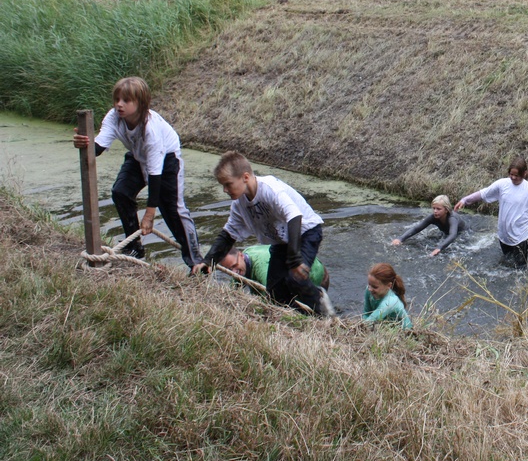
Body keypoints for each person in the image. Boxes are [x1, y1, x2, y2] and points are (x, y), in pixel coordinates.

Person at [72, 76, 203, 268]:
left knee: (173, 210)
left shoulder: (151, 129)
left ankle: (196, 263)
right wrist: (84, 144)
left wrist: (149, 215)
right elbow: (98, 147)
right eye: (117, 99)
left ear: (141, 103)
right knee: (120, 192)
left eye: (126, 100)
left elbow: (155, 175)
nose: (119, 105)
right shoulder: (114, 117)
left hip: (166, 159)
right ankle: (134, 247)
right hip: (137, 155)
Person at [191, 151, 334, 317]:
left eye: (228, 184)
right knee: (274, 292)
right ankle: (299, 319)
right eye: (223, 185)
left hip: (305, 233)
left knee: (295, 278)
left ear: (245, 177)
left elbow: (294, 216)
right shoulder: (238, 204)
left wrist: (294, 259)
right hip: (281, 242)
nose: (225, 190)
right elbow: (228, 234)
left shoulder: (270, 189)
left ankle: (322, 310)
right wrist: (208, 261)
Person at [454, 157, 528, 270]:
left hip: (522, 236)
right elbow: (484, 193)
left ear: (524, 174)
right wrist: (465, 200)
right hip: (504, 235)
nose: (513, 177)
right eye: (511, 174)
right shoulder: (502, 184)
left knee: (520, 269)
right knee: (506, 267)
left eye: (516, 175)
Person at [219, 245, 330, 290]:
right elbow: (234, 287)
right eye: (229, 270)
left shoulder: (262, 269)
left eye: (234, 266)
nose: (234, 272)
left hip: (313, 272)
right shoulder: (245, 256)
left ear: (241, 255)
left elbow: (272, 301)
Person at [391, 195, 466, 257]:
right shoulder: (433, 217)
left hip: (463, 235)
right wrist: (400, 239)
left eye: (438, 209)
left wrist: (439, 248)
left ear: (446, 210)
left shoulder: (452, 218)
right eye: (434, 208)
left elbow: (453, 235)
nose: (435, 211)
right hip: (447, 234)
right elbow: (416, 228)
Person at [363, 263, 413, 329]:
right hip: (386, 327)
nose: (370, 289)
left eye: (375, 287)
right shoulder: (369, 290)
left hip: (403, 332)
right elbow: (366, 314)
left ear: (389, 286)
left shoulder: (390, 302)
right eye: (369, 284)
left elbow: (370, 321)